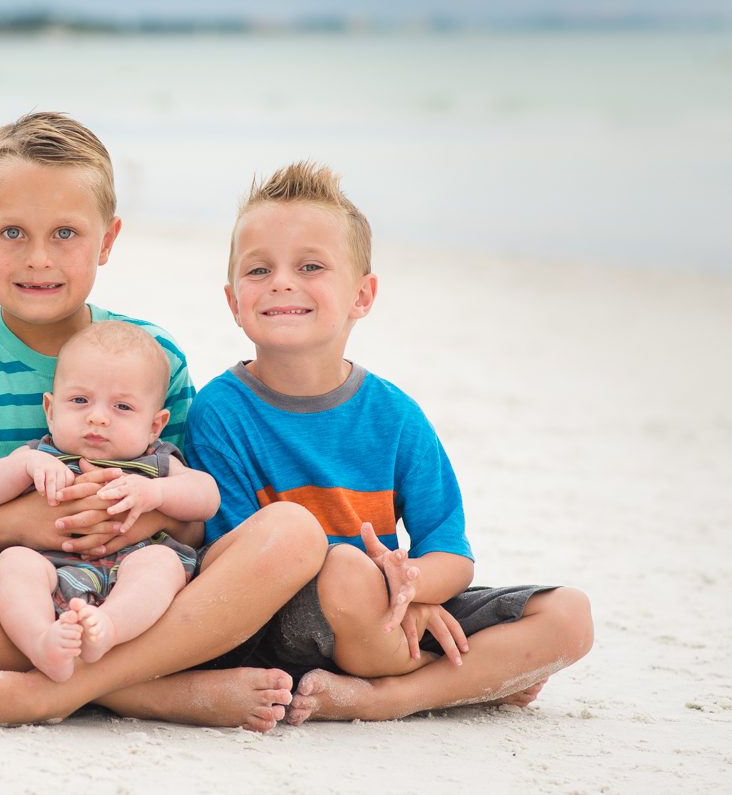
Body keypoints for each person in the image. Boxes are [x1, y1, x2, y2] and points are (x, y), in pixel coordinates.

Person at [0, 111, 329, 733]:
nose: (38, 259)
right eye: (11, 233)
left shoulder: (155, 356)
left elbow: (197, 521)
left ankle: (52, 691)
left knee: (293, 531)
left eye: (66, 234)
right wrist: (23, 522)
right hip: (13, 597)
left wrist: (137, 507)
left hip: (142, 587)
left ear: (107, 239)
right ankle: (149, 694)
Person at [183, 160, 595, 722]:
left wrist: (412, 587)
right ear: (233, 301)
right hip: (280, 624)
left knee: (569, 616)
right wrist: (375, 585)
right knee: (348, 572)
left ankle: (392, 696)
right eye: (259, 270)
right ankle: (456, 681)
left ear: (362, 295)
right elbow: (230, 566)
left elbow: (450, 551)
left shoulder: (395, 415)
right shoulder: (220, 411)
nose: (282, 282)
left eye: (310, 266)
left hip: (391, 613)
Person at [0, 321, 219, 681]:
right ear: (50, 410)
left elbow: (207, 497)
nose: (97, 417)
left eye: (122, 407)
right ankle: (41, 641)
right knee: (12, 563)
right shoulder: (40, 455)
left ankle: (108, 628)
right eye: (80, 400)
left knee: (161, 563)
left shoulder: (157, 461)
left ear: (155, 425)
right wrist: (23, 466)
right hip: (50, 573)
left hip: (131, 573)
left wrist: (155, 492)